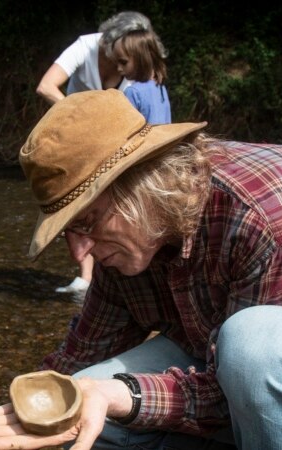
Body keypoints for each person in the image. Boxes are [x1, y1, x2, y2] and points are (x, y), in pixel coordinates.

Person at [0, 90, 282, 450]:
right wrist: (28, 413)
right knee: (78, 400)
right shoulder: (126, 235)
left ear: (142, 186)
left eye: (87, 224)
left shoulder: (269, 215)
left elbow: (250, 379)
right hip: (239, 383)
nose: (80, 254)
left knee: (256, 345)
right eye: (69, 232)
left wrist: (125, 397)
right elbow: (79, 355)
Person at [36, 11, 161, 297]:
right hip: (77, 137)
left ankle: (116, 274)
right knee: (78, 204)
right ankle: (86, 277)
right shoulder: (86, 46)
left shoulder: (131, 60)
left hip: (114, 141)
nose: (123, 65)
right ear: (111, 41)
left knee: (111, 203)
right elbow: (46, 86)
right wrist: (81, 114)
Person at [113, 28, 171, 124]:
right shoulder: (160, 87)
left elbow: (126, 128)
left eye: (123, 62)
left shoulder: (132, 92)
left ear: (142, 59)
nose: (119, 68)